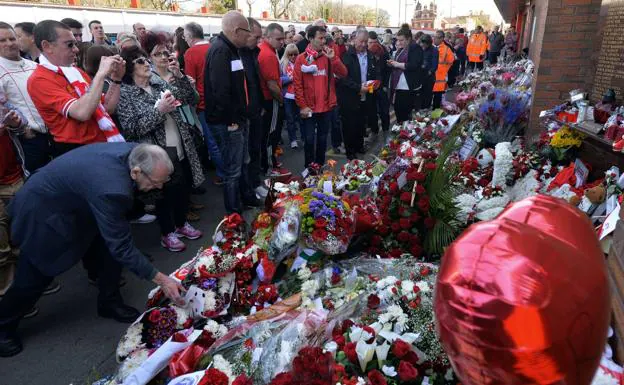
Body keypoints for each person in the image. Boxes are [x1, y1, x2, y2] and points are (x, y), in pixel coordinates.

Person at [0, 143, 187, 357]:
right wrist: (162, 279)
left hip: (80, 205)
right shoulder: (112, 189)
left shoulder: (137, 154)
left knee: (107, 251)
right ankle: (4, 325)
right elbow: (122, 246)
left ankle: (109, 302)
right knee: (35, 274)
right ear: (136, 172)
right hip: (44, 214)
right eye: (155, 183)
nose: (159, 188)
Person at [117, 46, 204, 252]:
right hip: (154, 153)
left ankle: (182, 224)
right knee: (163, 196)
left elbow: (192, 99)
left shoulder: (158, 84)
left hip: (179, 145)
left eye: (145, 59)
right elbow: (131, 129)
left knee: (182, 189)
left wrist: (180, 76)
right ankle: (168, 233)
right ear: (129, 67)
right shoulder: (126, 94)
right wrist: (159, 111)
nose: (146, 63)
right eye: (139, 61)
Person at [27, 20, 124, 158]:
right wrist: (101, 74)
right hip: (78, 151)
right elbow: (82, 113)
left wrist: (116, 79)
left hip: (103, 143)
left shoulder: (75, 71)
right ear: (47, 46)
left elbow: (107, 108)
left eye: (75, 44)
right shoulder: (39, 80)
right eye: (70, 45)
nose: (76, 49)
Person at [204, 11, 260, 214]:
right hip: (228, 123)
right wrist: (231, 121)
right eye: (248, 31)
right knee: (233, 170)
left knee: (242, 162)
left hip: (238, 119)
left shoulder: (232, 49)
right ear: (237, 31)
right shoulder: (221, 51)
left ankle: (246, 199)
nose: (250, 36)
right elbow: (221, 92)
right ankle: (233, 212)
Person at [294, 25, 347, 169]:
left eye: (325, 38)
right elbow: (297, 85)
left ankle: (319, 165)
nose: (324, 41)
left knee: (323, 139)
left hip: (326, 107)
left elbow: (343, 73)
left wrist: (334, 58)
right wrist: (303, 106)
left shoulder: (328, 56)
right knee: (309, 140)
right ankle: (309, 167)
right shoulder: (301, 59)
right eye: (320, 38)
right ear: (310, 38)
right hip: (309, 108)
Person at [0, 22, 51, 173]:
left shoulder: (35, 66)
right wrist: (24, 131)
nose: (9, 44)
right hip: (28, 141)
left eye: (12, 38)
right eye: (2, 41)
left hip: (54, 134)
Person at [183, 22, 224, 187]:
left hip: (204, 103)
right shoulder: (216, 47)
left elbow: (189, 81)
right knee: (225, 141)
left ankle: (224, 174)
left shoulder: (190, 53)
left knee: (213, 142)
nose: (185, 40)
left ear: (191, 37)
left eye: (185, 37)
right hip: (221, 101)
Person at [337, 30, 380, 160]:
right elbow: (343, 78)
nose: (363, 44)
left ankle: (359, 145)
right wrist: (358, 88)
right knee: (349, 124)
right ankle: (350, 151)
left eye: (366, 42)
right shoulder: (346, 55)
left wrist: (375, 83)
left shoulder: (371, 55)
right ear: (354, 39)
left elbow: (376, 73)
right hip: (350, 96)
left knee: (361, 123)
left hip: (366, 95)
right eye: (361, 41)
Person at [239, 18, 267, 200]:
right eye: (256, 37)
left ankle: (255, 183)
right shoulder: (234, 53)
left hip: (256, 110)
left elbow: (256, 81)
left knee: (256, 149)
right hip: (243, 114)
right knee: (245, 156)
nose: (259, 42)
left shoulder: (252, 53)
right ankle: (248, 190)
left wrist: (261, 104)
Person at [258, 23, 289, 178]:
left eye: (283, 39)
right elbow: (272, 85)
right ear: (268, 37)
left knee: (269, 135)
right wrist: (281, 101)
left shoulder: (266, 50)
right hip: (270, 100)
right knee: (271, 135)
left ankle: (270, 162)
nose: (282, 42)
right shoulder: (268, 55)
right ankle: (270, 167)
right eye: (279, 39)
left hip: (267, 100)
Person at [387, 28, 424, 123]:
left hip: (408, 86)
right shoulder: (402, 49)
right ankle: (402, 131)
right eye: (398, 40)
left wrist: (397, 64)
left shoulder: (415, 48)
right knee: (398, 109)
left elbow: (414, 65)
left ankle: (404, 132)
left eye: (401, 40)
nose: (399, 42)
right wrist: (392, 63)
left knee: (404, 113)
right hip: (399, 85)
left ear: (408, 39)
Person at [368, 30, 390, 136]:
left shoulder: (384, 53)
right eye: (370, 42)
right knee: (372, 111)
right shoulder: (367, 54)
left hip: (382, 86)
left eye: (374, 42)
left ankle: (386, 129)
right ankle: (374, 130)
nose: (376, 57)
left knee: (384, 110)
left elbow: (388, 71)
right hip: (371, 87)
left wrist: (385, 85)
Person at [280, 43, 300, 151]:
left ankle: (304, 138)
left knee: (302, 119)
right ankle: (293, 140)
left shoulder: (300, 62)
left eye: (295, 54)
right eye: (290, 55)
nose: (293, 57)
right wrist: (290, 78)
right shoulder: (282, 63)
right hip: (288, 96)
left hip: (299, 95)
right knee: (290, 119)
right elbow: (278, 79)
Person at [432, 30, 454, 109]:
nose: (434, 39)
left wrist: (443, 70)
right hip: (429, 78)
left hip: (439, 80)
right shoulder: (430, 47)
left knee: (437, 101)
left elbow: (451, 61)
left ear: (442, 39)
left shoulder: (446, 49)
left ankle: (436, 117)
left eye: (436, 37)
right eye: (434, 37)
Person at [419, 34, 437, 110]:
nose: (423, 46)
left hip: (429, 76)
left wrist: (429, 72)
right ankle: (419, 110)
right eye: (422, 44)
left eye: (425, 44)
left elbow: (435, 65)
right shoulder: (420, 48)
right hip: (420, 75)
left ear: (429, 43)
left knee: (427, 95)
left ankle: (426, 109)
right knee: (420, 95)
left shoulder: (434, 50)